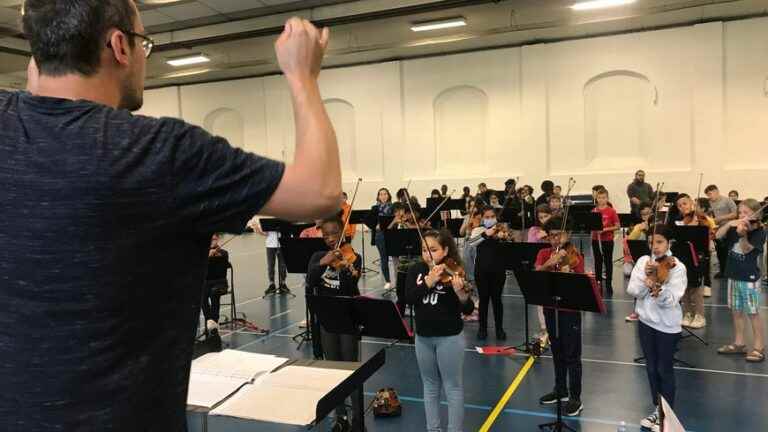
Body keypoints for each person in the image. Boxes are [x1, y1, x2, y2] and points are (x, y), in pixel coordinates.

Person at [6, 3, 340, 430]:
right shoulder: (162, 152)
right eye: (145, 42)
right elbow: (321, 191)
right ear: (119, 46)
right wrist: (302, 77)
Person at [406, 230, 473, 432]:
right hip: (423, 337)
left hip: (449, 338)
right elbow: (409, 299)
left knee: (452, 387)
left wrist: (461, 293)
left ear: (445, 250)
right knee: (430, 385)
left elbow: (468, 308)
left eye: (433, 250)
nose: (428, 255)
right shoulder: (416, 270)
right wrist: (428, 281)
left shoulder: (454, 270)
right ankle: (433, 429)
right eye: (425, 250)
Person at [626, 224, 687, 432]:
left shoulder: (677, 267)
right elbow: (633, 290)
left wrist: (657, 286)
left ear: (669, 243)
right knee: (651, 368)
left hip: (667, 326)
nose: (655, 246)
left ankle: (666, 414)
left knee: (664, 369)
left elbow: (670, 302)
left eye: (660, 242)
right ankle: (656, 408)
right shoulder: (644, 261)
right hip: (646, 323)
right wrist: (647, 280)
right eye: (651, 242)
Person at [306, 216, 363, 432]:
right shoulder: (317, 257)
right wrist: (324, 262)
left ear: (343, 232)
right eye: (326, 235)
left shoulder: (353, 257)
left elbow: (351, 287)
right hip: (327, 321)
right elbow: (310, 280)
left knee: (352, 370)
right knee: (334, 371)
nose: (330, 238)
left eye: (334, 234)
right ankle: (341, 417)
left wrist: (348, 270)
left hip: (347, 321)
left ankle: (358, 418)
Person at [535, 216, 585, 417]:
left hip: (569, 312)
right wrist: (550, 263)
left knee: (572, 355)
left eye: (559, 235)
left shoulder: (575, 255)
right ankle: (560, 389)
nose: (555, 240)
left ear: (568, 235)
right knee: (556, 352)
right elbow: (536, 274)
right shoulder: (543, 253)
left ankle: (575, 397)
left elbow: (581, 283)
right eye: (551, 236)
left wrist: (569, 272)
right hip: (550, 308)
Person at [716, 199, 766, 363]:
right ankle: (739, 343)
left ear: (755, 214)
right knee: (736, 312)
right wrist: (730, 222)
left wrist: (742, 235)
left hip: (749, 278)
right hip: (733, 275)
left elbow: (745, 250)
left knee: (753, 313)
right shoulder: (734, 226)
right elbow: (717, 235)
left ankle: (759, 347)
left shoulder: (759, 231)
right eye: (740, 212)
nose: (742, 216)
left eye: (746, 213)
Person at [673, 194, 716, 329]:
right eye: (679, 205)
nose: (682, 207)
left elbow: (709, 231)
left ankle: (699, 315)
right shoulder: (678, 220)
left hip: (697, 256)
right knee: (684, 285)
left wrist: (698, 223)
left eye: (684, 203)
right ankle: (687, 313)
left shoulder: (701, 218)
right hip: (683, 255)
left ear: (691, 202)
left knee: (696, 287)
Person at [467, 206, 508, 340]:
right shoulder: (478, 230)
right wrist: (486, 234)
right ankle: (482, 329)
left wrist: (504, 237)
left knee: (497, 301)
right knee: (483, 300)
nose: (490, 219)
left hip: (498, 271)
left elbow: (509, 244)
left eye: (492, 217)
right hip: (482, 271)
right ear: (482, 218)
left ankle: (499, 329)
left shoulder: (501, 228)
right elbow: (472, 243)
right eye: (487, 217)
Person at [250, 217, 289, 295]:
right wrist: (257, 228)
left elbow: (288, 229)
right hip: (270, 245)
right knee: (270, 265)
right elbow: (265, 233)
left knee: (282, 265)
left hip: (282, 243)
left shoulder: (283, 219)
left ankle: (283, 284)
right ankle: (272, 284)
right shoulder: (267, 221)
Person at [705, 185, 738, 278]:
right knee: (719, 251)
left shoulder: (727, 200)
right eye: (708, 195)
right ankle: (722, 271)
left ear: (716, 191)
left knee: (728, 251)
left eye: (710, 194)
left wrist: (721, 218)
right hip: (716, 229)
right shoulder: (709, 203)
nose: (709, 197)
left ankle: (730, 271)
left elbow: (735, 214)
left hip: (728, 229)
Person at [592, 188, 620, 294]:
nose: (601, 200)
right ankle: (598, 282)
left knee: (608, 262)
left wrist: (605, 230)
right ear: (596, 198)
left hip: (607, 240)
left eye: (604, 198)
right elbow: (590, 226)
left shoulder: (611, 211)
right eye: (599, 198)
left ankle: (608, 283)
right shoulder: (594, 211)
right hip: (596, 240)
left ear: (607, 198)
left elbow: (617, 226)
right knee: (598, 261)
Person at [202, 233, 230, 336]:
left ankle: (214, 320)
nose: (212, 241)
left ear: (217, 239)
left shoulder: (224, 253)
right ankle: (209, 320)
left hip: (220, 283)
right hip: (207, 283)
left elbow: (224, 262)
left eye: (214, 239)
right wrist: (208, 255)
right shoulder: (204, 253)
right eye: (210, 239)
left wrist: (216, 254)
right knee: (201, 295)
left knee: (214, 293)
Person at [372, 188, 394, 289]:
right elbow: (371, 221)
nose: (383, 196)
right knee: (383, 258)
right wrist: (374, 226)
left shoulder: (393, 207)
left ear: (388, 195)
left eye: (385, 194)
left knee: (395, 258)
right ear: (378, 196)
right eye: (381, 194)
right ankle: (388, 281)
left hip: (391, 234)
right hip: (379, 235)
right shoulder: (375, 208)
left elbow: (396, 220)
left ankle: (398, 279)